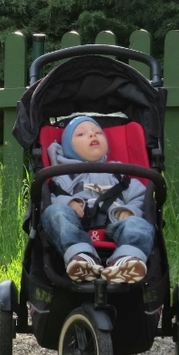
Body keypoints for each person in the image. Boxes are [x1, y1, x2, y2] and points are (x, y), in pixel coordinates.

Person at [41, 115, 155, 284]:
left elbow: (140, 195)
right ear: (67, 147)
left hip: (116, 228)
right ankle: (82, 256)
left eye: (98, 132)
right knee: (54, 212)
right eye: (81, 134)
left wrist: (129, 210)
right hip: (77, 228)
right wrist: (67, 203)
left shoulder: (120, 173)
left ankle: (126, 260)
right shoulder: (64, 176)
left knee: (140, 224)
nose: (92, 135)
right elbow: (51, 199)